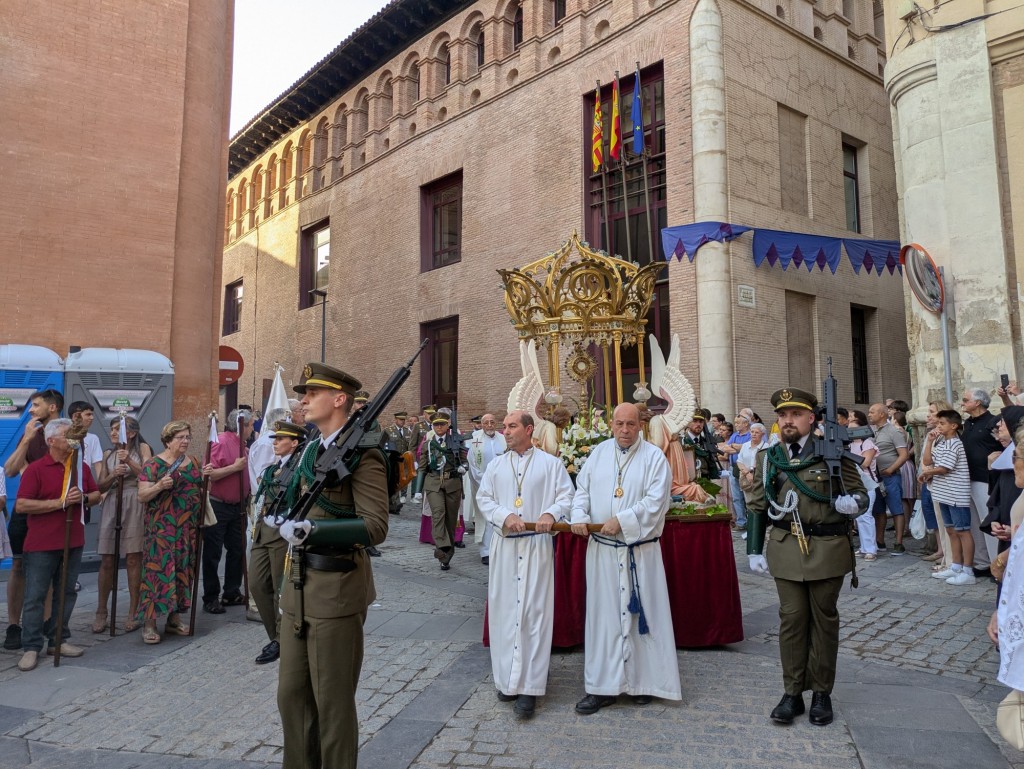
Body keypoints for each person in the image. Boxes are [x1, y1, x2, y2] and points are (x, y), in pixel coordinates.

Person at [275, 362, 389, 769]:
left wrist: (312, 531)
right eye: (303, 393)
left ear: (339, 400)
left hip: (337, 588)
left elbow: (375, 526)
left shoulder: (364, 455)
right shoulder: (310, 450)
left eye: (311, 393)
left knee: (332, 703)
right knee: (291, 696)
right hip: (298, 586)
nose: (303, 400)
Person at [746, 388, 867, 726]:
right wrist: (753, 549)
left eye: (796, 414)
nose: (788, 420)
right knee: (792, 621)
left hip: (828, 548)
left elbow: (861, 494)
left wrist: (853, 504)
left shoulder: (833, 453)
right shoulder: (769, 457)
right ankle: (792, 692)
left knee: (824, 621)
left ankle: (822, 691)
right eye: (783, 415)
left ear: (811, 418)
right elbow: (757, 505)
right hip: (786, 547)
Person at [569, 402, 681, 714]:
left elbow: (657, 501)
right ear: (612, 425)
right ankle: (601, 688)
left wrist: (623, 520)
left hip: (639, 553)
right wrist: (579, 515)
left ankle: (642, 683)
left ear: (640, 425)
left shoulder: (655, 458)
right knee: (604, 620)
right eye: (619, 424)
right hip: (603, 551)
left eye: (631, 424)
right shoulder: (599, 453)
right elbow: (583, 491)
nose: (624, 430)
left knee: (641, 620)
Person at [477, 410, 573, 718]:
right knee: (505, 613)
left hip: (536, 547)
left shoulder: (551, 464)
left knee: (534, 613)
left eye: (511, 426)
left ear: (528, 429)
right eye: (504, 426)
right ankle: (507, 681)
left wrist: (549, 514)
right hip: (505, 549)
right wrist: (505, 516)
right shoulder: (495, 466)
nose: (505, 431)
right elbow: (485, 499)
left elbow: (566, 496)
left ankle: (530, 687)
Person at [14, 419, 100, 671]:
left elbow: (95, 495)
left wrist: (83, 498)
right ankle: (31, 646)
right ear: (51, 441)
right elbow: (22, 505)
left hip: (73, 541)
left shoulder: (80, 467)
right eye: (67, 435)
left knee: (67, 593)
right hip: (41, 543)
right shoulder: (37, 469)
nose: (73, 440)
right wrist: (59, 503)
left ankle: (57, 640)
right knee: (35, 596)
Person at [4, 388, 63, 652]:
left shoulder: (68, 436)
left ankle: (45, 625)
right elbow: (10, 469)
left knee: (48, 571)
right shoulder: (32, 435)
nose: (30, 409)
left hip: (51, 511)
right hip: (24, 511)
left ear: (52, 407)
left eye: (36, 405)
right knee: (18, 567)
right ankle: (14, 626)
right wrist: (26, 440)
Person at [135, 421, 202, 643]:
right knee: (157, 572)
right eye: (180, 437)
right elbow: (142, 496)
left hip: (186, 529)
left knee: (182, 570)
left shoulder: (192, 462)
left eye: (187, 437)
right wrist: (158, 486)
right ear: (168, 440)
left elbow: (200, 485)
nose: (185, 441)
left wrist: (211, 473)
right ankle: (150, 623)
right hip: (161, 530)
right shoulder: (153, 465)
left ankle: (173, 619)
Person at [248, 420, 307, 665]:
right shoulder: (271, 471)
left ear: (294, 443)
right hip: (262, 532)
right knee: (257, 584)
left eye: (280, 439)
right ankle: (275, 636)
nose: (275, 443)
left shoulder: (298, 471)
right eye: (274, 439)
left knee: (279, 590)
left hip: (281, 536)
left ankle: (282, 641)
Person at [93, 416, 152, 633]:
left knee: (134, 559)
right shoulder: (109, 454)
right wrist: (112, 476)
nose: (114, 433)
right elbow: (99, 486)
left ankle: (133, 611)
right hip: (112, 502)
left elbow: (147, 475)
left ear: (132, 432)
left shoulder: (143, 448)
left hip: (134, 501)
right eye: (112, 429)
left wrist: (128, 461)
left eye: (119, 429)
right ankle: (101, 611)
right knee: (107, 559)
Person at [201, 408, 251, 613]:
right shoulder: (220, 441)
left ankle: (231, 591)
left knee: (237, 549)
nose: (252, 428)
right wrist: (234, 467)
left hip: (238, 506)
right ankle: (211, 596)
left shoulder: (243, 445)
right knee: (213, 552)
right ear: (242, 425)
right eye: (251, 424)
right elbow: (210, 474)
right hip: (219, 505)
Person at [920, 410, 977, 586]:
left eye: (942, 423)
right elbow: (928, 461)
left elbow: (945, 468)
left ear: (953, 426)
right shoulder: (942, 443)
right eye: (938, 423)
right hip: (943, 493)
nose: (938, 426)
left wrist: (927, 473)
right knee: (951, 531)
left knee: (963, 531)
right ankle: (956, 565)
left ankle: (968, 570)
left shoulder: (955, 443)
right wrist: (929, 442)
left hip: (955, 494)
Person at [960, 387, 1002, 576]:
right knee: (975, 522)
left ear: (977, 402)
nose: (962, 403)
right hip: (967, 477)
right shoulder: (967, 423)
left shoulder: (992, 422)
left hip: (985, 478)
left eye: (965, 399)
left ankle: (996, 564)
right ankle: (982, 563)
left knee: (988, 521)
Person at [418, 412, 467, 570]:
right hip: (433, 483)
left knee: (450, 520)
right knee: (438, 513)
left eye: (442, 424)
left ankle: (446, 556)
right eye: (436, 424)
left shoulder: (456, 442)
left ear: (448, 426)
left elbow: (465, 462)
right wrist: (417, 490)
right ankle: (442, 545)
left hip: (452, 483)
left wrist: (463, 467)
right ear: (433, 426)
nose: (439, 427)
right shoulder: (428, 444)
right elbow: (423, 468)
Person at [867, 402, 909, 555]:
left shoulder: (893, 431)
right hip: (875, 476)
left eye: (872, 412)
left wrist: (891, 469)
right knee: (878, 510)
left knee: (896, 508)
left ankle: (898, 543)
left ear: (882, 414)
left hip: (890, 476)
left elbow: (903, 454)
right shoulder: (871, 431)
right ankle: (880, 541)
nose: (869, 414)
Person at [467, 413, 507, 565]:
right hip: (483, 484)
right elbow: (473, 464)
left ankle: (501, 548)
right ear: (482, 425)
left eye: (492, 422)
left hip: (503, 484)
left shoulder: (503, 439)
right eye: (486, 423)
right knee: (485, 518)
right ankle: (485, 551)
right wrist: (485, 482)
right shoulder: (475, 441)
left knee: (500, 515)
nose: (489, 425)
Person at [846, 410, 879, 561]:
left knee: (866, 515)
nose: (851, 432)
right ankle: (864, 547)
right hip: (854, 482)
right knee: (858, 517)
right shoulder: (850, 444)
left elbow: (865, 462)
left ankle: (871, 549)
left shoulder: (868, 443)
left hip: (867, 483)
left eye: (854, 429)